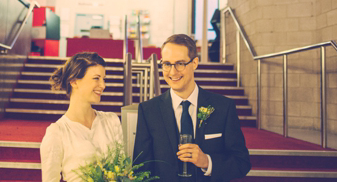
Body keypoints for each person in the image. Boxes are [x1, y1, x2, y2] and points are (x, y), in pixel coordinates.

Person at [133, 34, 251, 182]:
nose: (172, 72)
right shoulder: (148, 110)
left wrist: (207, 162)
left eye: (180, 63)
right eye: (167, 64)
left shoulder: (223, 107)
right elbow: (141, 169)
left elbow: (242, 163)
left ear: (195, 63)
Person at [40, 52, 123, 182]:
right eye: (96, 78)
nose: (103, 85)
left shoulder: (111, 121)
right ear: (73, 81)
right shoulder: (57, 133)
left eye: (104, 79)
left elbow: (124, 169)